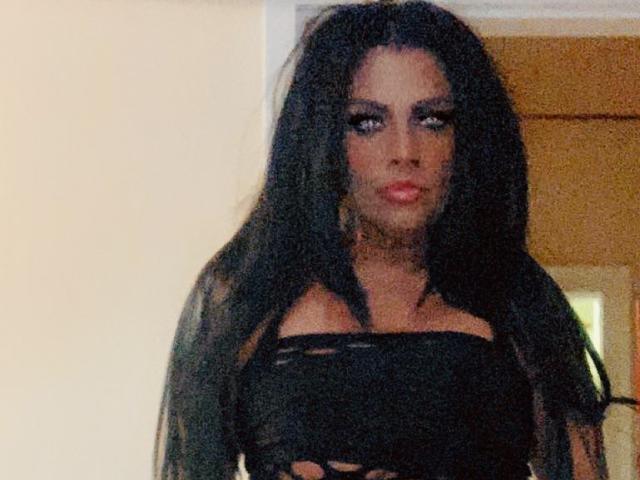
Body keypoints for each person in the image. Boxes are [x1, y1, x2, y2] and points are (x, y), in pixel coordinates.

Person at [153, 1, 628, 478]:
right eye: (366, 122)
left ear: (469, 136)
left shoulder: (521, 305)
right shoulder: (246, 298)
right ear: (321, 136)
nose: (404, 151)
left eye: (433, 119)